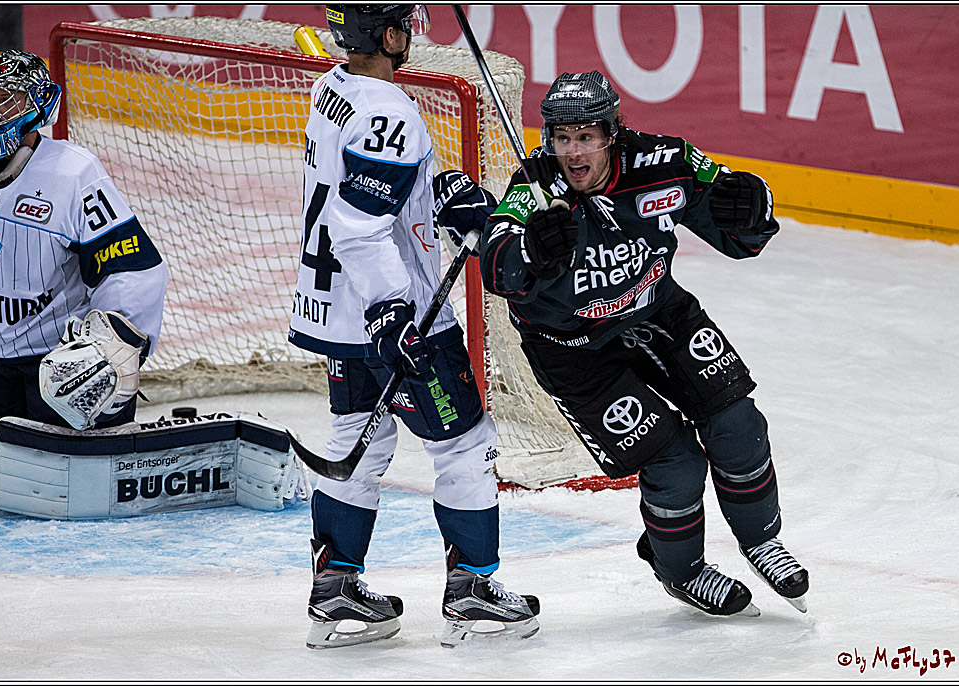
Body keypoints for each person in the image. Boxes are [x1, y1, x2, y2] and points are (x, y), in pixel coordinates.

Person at [479, 70, 809, 617]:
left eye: (586, 136)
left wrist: (753, 211)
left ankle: (761, 540)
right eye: (562, 138)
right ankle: (681, 570)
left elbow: (736, 228)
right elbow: (496, 266)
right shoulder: (533, 191)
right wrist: (533, 252)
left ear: (613, 132)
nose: (573, 152)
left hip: (660, 313)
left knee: (737, 424)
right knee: (674, 461)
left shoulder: (666, 163)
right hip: (575, 350)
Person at [287, 4, 539, 649]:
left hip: (337, 313)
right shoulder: (390, 111)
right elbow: (359, 224)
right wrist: (393, 311)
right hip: (400, 318)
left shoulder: (332, 89)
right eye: (404, 20)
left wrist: (447, 194)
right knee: (463, 445)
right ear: (392, 34)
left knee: (358, 442)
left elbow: (376, 194)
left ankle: (336, 586)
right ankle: (475, 590)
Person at [0, 50, 168, 499]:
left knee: (62, 467)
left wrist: (112, 348)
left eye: (6, 99)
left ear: (37, 105)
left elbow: (134, 267)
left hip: (57, 367)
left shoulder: (73, 173)